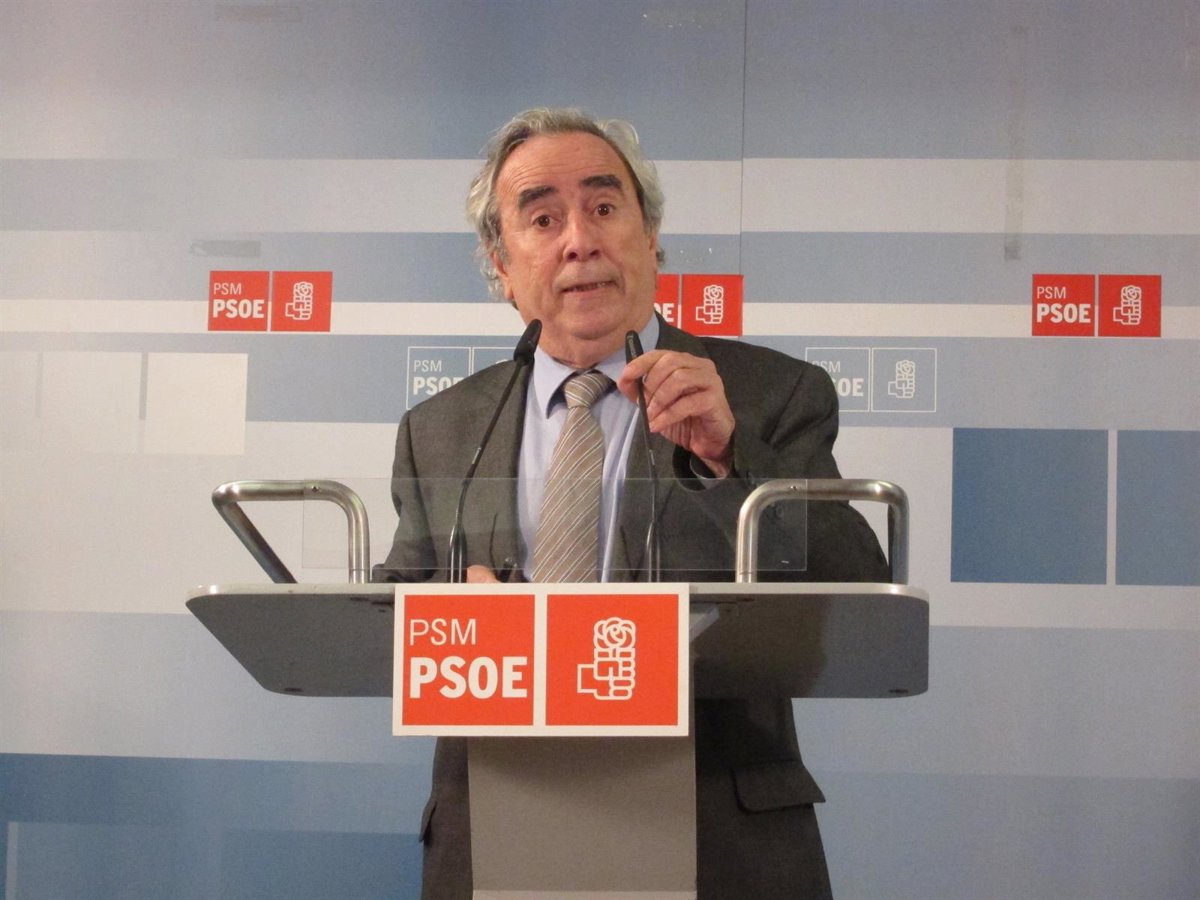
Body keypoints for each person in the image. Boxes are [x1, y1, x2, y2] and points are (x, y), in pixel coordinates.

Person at [376, 107, 890, 900]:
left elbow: (856, 590)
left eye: (605, 207)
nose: (579, 240)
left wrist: (732, 457)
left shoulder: (768, 394)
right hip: (501, 830)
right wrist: (455, 619)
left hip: (715, 837)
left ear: (650, 237)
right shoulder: (441, 430)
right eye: (542, 218)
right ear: (502, 266)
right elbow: (390, 624)